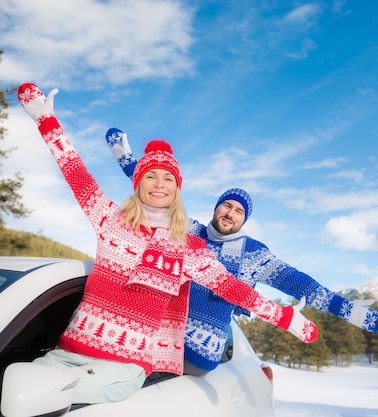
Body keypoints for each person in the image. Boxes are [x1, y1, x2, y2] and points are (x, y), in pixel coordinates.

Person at [16, 83, 317, 404]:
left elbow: (233, 289)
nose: (159, 183)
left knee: (26, 399)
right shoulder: (109, 219)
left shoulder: (188, 249)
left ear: (176, 189)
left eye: (168, 178)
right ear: (139, 182)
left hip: (122, 369)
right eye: (151, 175)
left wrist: (286, 319)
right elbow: (76, 172)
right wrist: (46, 122)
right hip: (67, 354)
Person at [106, 127, 378, 373]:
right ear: (217, 208)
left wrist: (345, 308)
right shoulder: (191, 231)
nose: (231, 213)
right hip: (160, 336)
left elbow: (296, 280)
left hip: (196, 351)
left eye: (239, 211)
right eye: (227, 205)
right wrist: (128, 162)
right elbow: (158, 198)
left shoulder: (251, 253)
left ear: (243, 220)